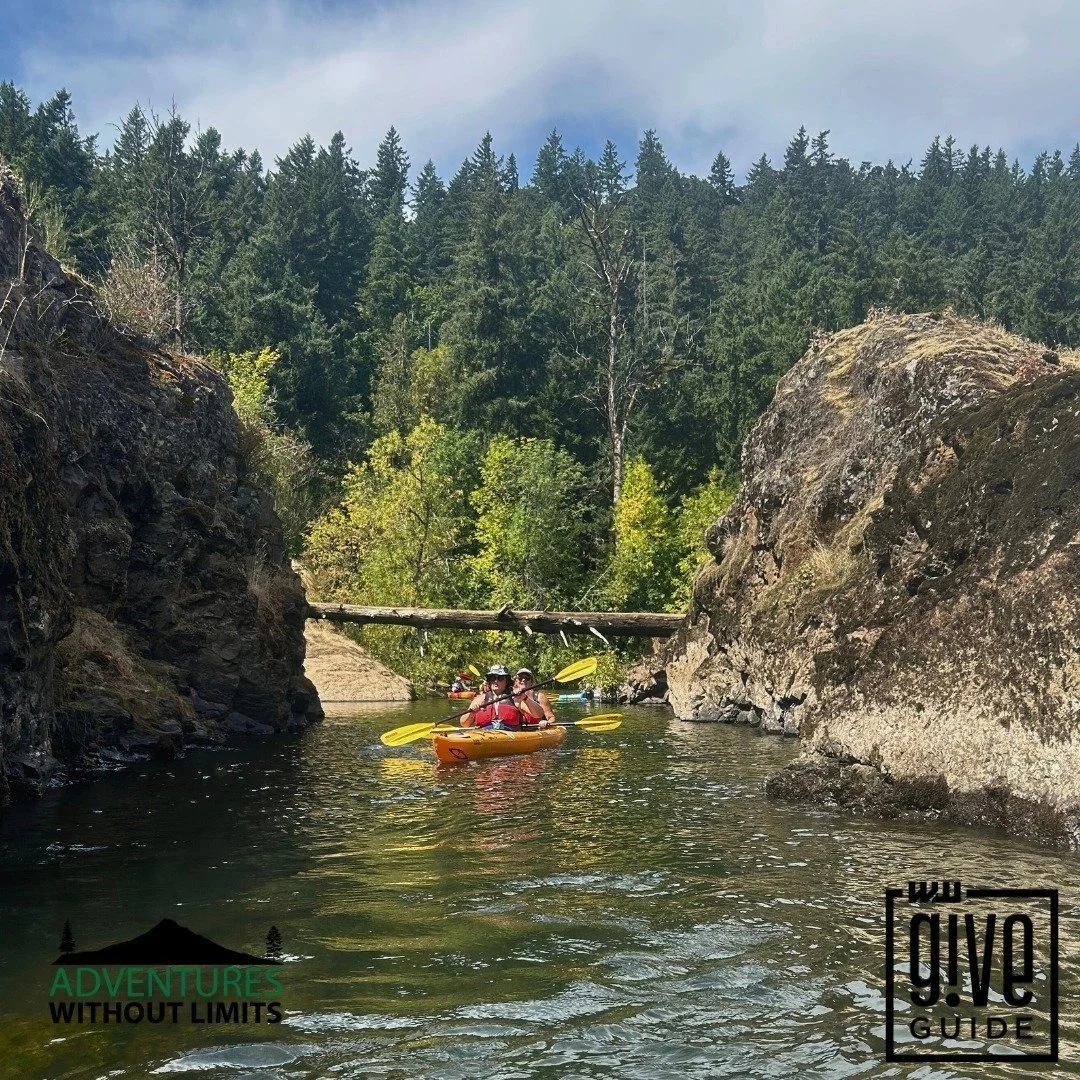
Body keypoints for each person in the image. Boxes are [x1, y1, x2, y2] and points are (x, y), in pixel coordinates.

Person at [461, 665, 524, 729]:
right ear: (489, 681)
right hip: (484, 734)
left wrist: (525, 698)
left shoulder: (516, 697)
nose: (496, 681)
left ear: (506, 682)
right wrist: (472, 712)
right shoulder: (480, 699)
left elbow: (535, 714)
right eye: (493, 678)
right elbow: (464, 724)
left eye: (500, 678)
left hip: (511, 734)